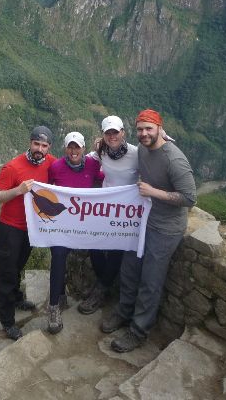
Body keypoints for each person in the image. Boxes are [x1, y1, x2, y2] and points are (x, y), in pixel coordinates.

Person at [101, 108, 196, 352]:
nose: (144, 133)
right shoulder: (142, 149)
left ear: (159, 129)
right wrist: (101, 145)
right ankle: (124, 311)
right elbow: (120, 151)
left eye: (149, 129)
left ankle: (138, 331)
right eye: (140, 129)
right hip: (143, 219)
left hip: (166, 227)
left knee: (151, 279)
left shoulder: (174, 159)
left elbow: (189, 197)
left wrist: (154, 193)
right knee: (130, 268)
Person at [0, 125, 55, 340]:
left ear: (49, 147)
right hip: (10, 228)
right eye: (36, 143)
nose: (39, 148)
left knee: (18, 266)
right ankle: (7, 320)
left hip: (31, 228)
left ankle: (16, 298)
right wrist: (18, 190)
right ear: (30, 143)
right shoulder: (13, 167)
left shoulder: (51, 163)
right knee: (7, 272)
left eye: (44, 145)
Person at [77, 115, 139, 315]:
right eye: (108, 133)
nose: (112, 136)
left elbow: (152, 169)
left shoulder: (136, 154)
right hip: (105, 207)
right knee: (94, 244)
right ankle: (103, 285)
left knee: (115, 250)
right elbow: (82, 161)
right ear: (103, 135)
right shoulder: (101, 152)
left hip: (126, 211)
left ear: (123, 132)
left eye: (115, 132)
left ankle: (101, 289)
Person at [45, 131, 104, 334]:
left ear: (83, 149)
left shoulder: (92, 165)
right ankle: (54, 305)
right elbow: (47, 188)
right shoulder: (56, 167)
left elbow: (105, 181)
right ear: (65, 148)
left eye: (77, 147)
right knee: (59, 255)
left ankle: (102, 289)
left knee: (98, 251)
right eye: (70, 147)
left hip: (86, 223)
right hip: (62, 224)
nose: (73, 151)